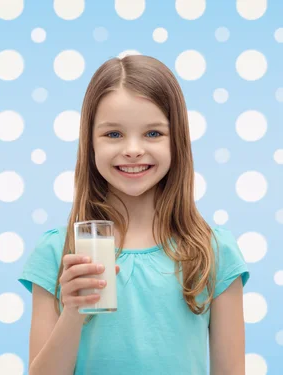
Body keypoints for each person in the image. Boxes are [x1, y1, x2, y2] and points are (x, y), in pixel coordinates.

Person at [18, 54, 250, 375]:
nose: (132, 149)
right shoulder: (58, 252)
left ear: (177, 141)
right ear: (90, 143)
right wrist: (72, 312)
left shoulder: (213, 253)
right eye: (113, 134)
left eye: (153, 133)